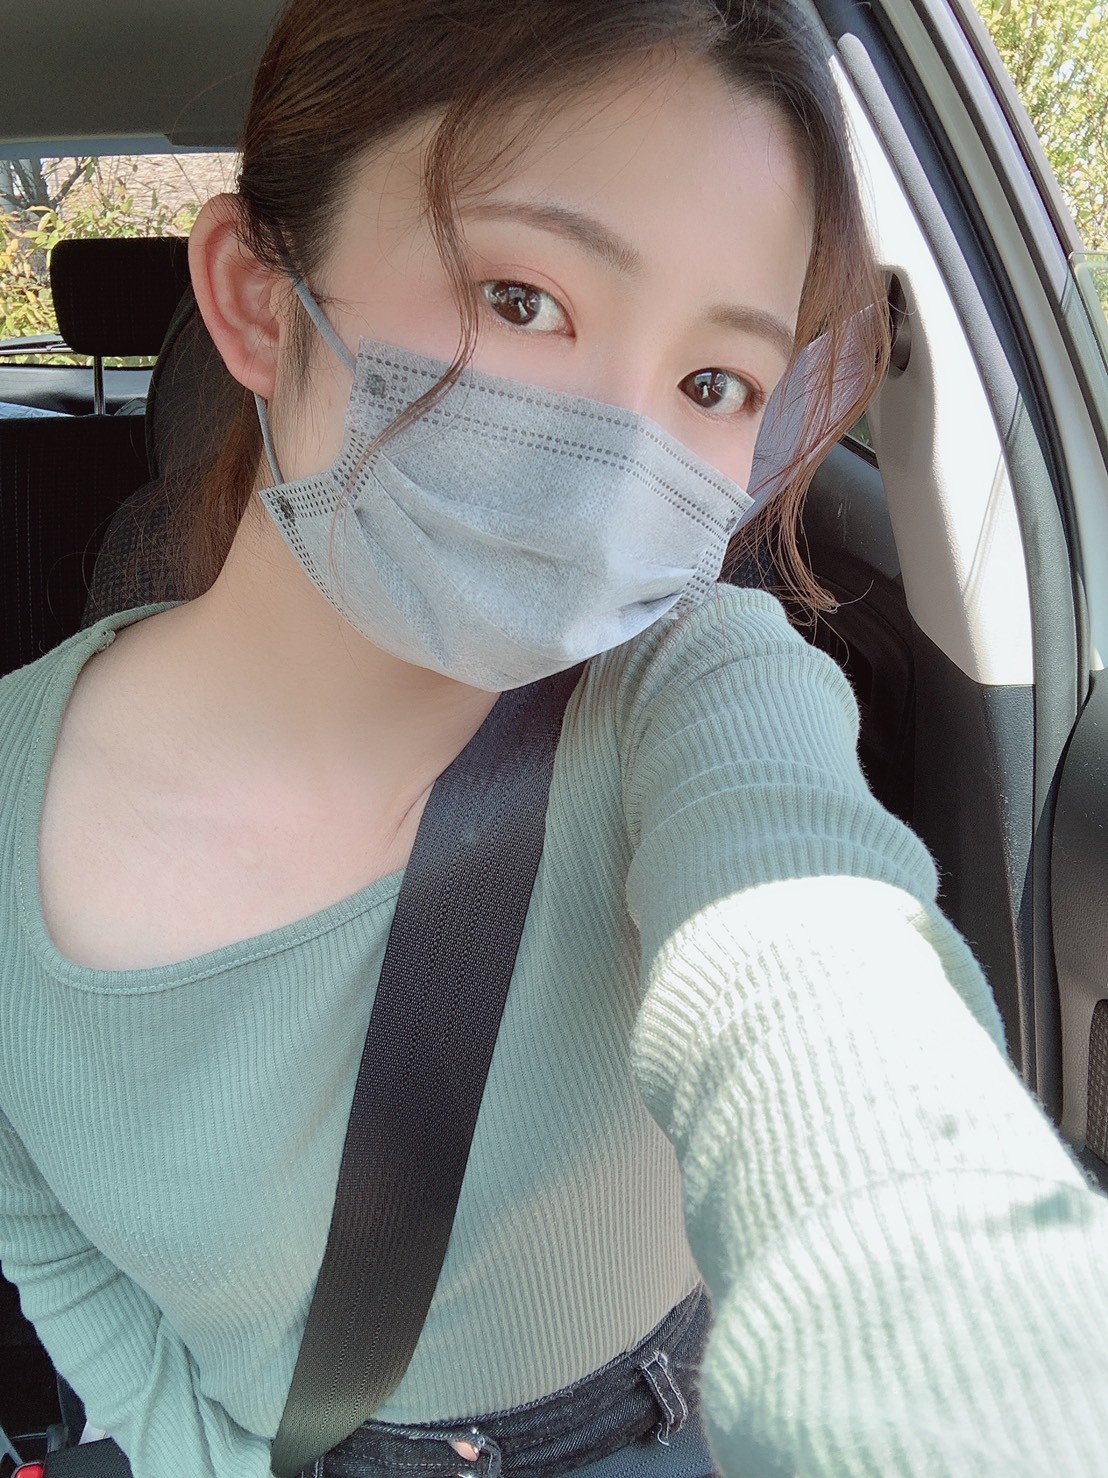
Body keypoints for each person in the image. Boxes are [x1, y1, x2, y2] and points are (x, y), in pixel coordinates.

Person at [2, 1, 1107, 1475]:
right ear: (259, 300)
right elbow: (49, 1243)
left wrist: (948, 1330)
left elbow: (820, 971)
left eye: (713, 385)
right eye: (522, 298)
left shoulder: (699, 682)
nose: (621, 456)